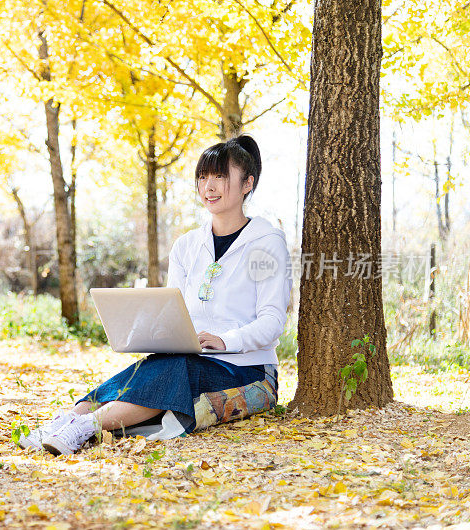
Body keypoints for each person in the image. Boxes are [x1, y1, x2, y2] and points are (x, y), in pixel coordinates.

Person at [18, 135, 292, 456]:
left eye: (220, 176)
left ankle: (85, 427)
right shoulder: (187, 245)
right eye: (202, 177)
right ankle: (62, 422)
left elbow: (273, 321)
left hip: (247, 367)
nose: (209, 186)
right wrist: (154, 334)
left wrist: (225, 341)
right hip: (191, 357)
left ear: (247, 184)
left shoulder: (266, 242)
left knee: (176, 370)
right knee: (150, 365)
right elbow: (173, 310)